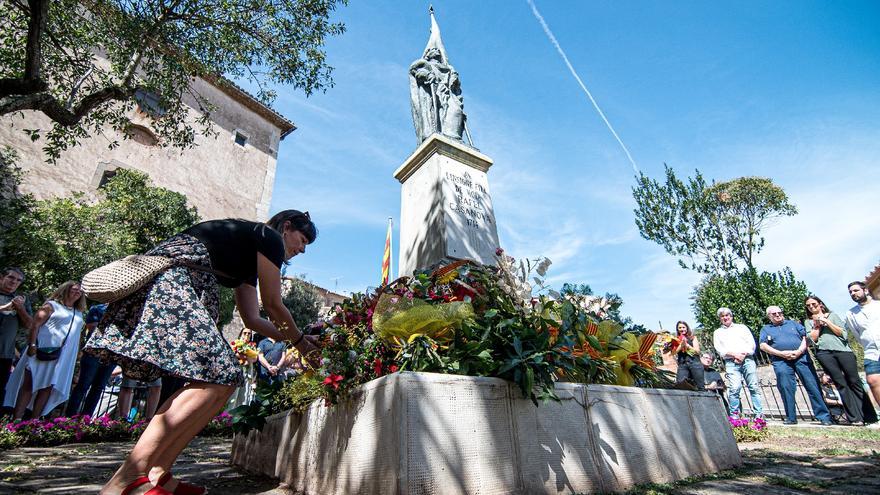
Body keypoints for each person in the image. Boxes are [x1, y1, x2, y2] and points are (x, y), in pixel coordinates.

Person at [84, 210, 320, 495]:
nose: (303, 249)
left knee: (224, 377)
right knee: (218, 375)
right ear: (286, 227)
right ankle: (126, 480)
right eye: (303, 239)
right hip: (173, 282)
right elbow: (272, 303)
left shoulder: (252, 252)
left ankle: (157, 475)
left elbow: (253, 320)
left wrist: (296, 337)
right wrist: (300, 343)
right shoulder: (268, 236)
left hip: (179, 283)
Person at [3, 281, 86, 420]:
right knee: (29, 384)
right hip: (41, 350)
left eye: (80, 291)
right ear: (66, 290)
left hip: (61, 356)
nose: (78, 293)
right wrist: (32, 345)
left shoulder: (78, 312)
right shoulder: (51, 305)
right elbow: (35, 325)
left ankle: (34, 421)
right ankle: (16, 419)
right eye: (75, 290)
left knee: (47, 387)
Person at [805, 295, 877, 425]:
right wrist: (817, 326)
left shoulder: (833, 316)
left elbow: (842, 333)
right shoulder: (808, 322)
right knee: (841, 383)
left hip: (843, 351)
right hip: (824, 353)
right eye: (808, 305)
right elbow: (812, 340)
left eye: (813, 304)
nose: (811, 307)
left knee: (854, 381)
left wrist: (826, 322)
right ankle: (855, 418)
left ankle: (869, 415)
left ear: (820, 304)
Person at [759, 305, 832, 425]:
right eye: (774, 314)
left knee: (812, 385)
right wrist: (781, 354)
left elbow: (806, 338)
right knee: (786, 387)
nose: (778, 315)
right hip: (781, 361)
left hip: (801, 357)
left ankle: (824, 417)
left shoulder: (793, 324)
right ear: (769, 316)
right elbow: (763, 345)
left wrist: (799, 351)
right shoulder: (766, 329)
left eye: (779, 312)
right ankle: (791, 417)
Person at [65, 303, 115, 417]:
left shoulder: (125, 311)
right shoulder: (98, 308)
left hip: (110, 355)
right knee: (83, 385)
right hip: (93, 352)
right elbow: (92, 328)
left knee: (98, 388)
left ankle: (86, 418)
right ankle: (70, 418)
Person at [712, 307, 763, 418]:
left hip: (747, 360)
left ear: (731, 316)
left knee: (754, 387)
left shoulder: (742, 328)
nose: (725, 318)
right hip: (731, 362)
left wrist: (743, 354)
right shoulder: (718, 332)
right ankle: (734, 416)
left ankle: (759, 415)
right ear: (720, 318)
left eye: (727, 315)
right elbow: (720, 349)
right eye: (722, 316)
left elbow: (751, 344)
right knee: (734, 388)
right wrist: (735, 355)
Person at [844, 281, 880, 409]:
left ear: (865, 290)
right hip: (871, 351)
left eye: (855, 290)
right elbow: (857, 334)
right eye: (850, 292)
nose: (853, 294)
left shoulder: (878, 305)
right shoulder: (851, 314)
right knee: (873, 381)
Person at [0, 267, 32, 406]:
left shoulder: (20, 301)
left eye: (18, 280)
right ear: (1, 278)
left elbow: (29, 324)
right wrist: (5, 307)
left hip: (5, 354)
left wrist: (20, 309)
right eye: (11, 277)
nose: (14, 282)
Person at [674, 321, 704, 390]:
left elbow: (697, 352)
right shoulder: (676, 340)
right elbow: (674, 352)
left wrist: (687, 346)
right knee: (680, 384)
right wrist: (681, 345)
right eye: (680, 328)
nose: (682, 329)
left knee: (700, 387)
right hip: (683, 365)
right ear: (677, 329)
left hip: (695, 363)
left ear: (687, 328)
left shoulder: (692, 337)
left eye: (683, 327)